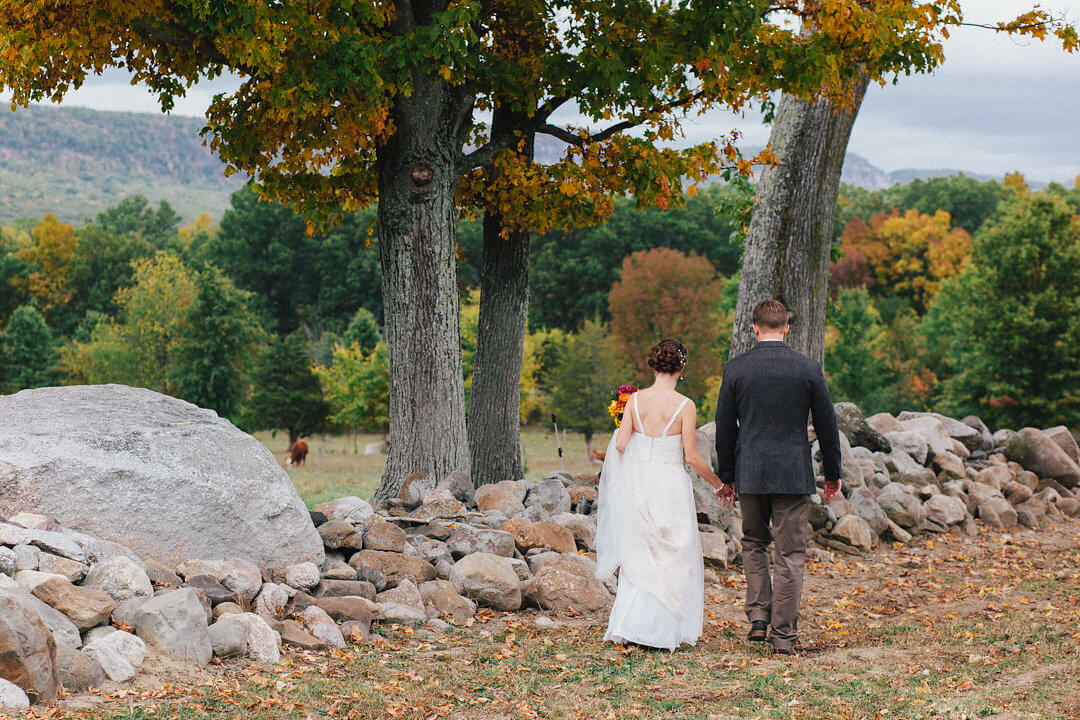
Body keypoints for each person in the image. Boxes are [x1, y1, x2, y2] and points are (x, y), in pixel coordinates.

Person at [714, 299, 843, 655]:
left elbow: (725, 428)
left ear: (754, 328)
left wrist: (727, 476)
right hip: (791, 472)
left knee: (754, 544)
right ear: (786, 327)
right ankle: (784, 636)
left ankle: (758, 617)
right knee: (790, 553)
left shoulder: (736, 369)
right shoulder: (807, 368)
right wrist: (833, 473)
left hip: (751, 472)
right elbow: (827, 424)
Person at [595, 338, 725, 650]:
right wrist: (718, 484)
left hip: (639, 481)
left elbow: (622, 445)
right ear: (682, 367)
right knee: (672, 551)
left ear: (653, 365)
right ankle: (662, 630)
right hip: (670, 483)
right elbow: (692, 457)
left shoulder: (635, 402)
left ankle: (629, 625)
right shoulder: (685, 406)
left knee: (641, 550)